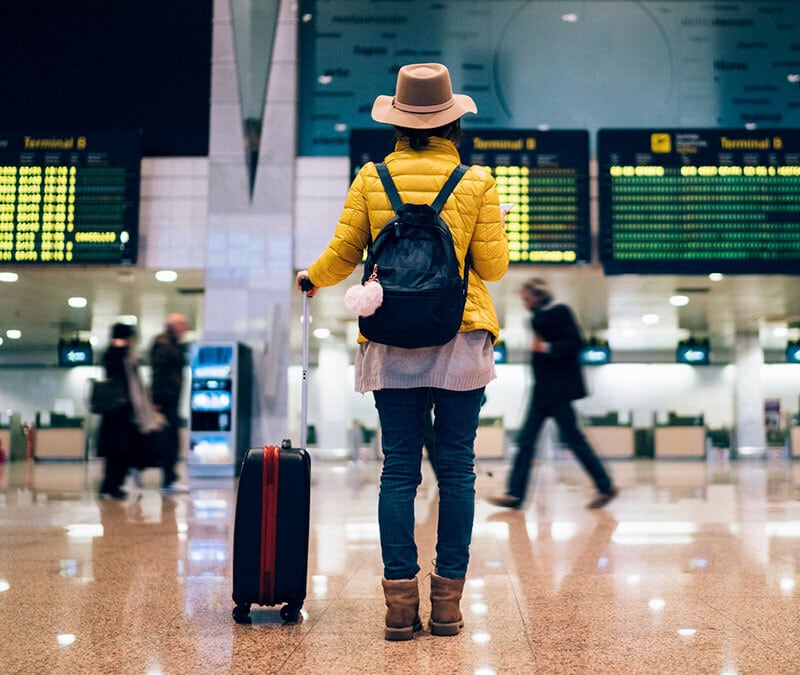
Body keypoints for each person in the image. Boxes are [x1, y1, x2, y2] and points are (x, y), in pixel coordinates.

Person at [296, 62, 509, 640]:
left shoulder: (372, 178)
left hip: (391, 338)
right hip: (461, 337)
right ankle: (447, 608)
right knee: (458, 472)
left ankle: (398, 607)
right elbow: (492, 267)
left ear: (397, 121)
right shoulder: (477, 183)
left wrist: (310, 280)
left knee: (398, 473)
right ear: (451, 124)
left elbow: (342, 254)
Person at [488, 278, 619, 510]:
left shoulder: (560, 312)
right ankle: (515, 495)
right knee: (526, 441)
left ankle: (605, 485)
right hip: (542, 392)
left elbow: (576, 342)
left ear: (539, 296)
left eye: (527, 299)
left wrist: (547, 347)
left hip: (557, 392)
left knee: (573, 440)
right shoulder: (538, 317)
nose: (525, 304)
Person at [97, 323, 140, 499]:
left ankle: (112, 484)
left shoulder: (113, 354)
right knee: (119, 451)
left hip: (115, 412)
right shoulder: (118, 355)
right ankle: (111, 485)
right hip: (119, 411)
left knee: (116, 451)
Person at [149, 313, 190, 493]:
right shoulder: (164, 344)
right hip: (165, 400)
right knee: (169, 439)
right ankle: (169, 477)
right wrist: (156, 400)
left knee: (171, 438)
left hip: (170, 398)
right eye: (182, 326)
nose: (185, 330)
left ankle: (170, 476)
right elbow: (158, 372)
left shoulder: (171, 344)